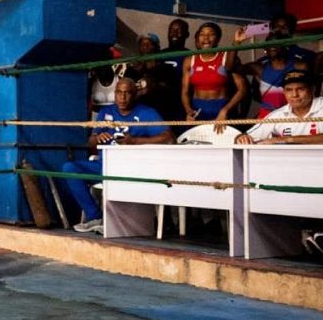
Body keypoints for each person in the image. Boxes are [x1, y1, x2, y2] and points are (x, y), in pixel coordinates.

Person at [62, 78, 174, 234]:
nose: (123, 97)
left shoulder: (146, 113)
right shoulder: (105, 112)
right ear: (114, 94)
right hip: (103, 166)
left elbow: (168, 137)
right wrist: (96, 138)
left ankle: (109, 222)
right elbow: (91, 142)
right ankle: (95, 217)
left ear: (135, 95)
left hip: (130, 169)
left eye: (127, 93)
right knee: (69, 168)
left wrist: (134, 141)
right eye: (119, 93)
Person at [181, 22, 247, 133]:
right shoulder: (189, 60)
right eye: (202, 34)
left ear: (218, 38)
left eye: (211, 34)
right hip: (198, 110)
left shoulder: (226, 57)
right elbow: (184, 91)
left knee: (221, 145)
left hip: (221, 108)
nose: (206, 38)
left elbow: (243, 89)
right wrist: (188, 110)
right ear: (198, 38)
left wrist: (225, 110)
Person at [235, 70, 322, 145]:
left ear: (313, 90)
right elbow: (248, 135)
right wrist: (241, 138)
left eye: (300, 89)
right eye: (289, 90)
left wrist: (287, 139)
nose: (295, 95)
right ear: (284, 92)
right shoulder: (279, 115)